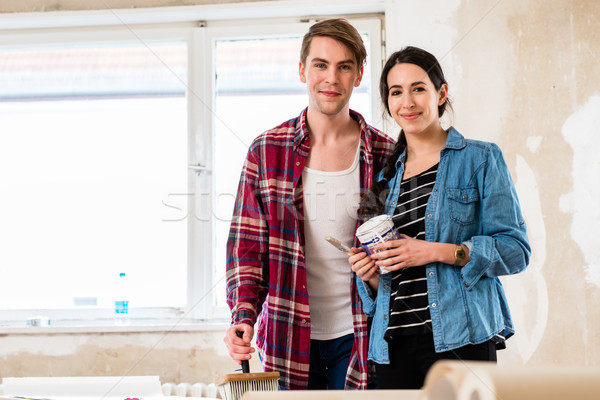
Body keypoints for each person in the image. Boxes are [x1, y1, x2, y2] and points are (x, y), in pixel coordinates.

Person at [224, 18, 395, 390]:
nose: (331, 78)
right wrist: (243, 315)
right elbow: (246, 250)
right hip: (287, 336)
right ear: (302, 70)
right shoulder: (267, 151)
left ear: (359, 74)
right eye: (320, 64)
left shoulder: (386, 154)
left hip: (362, 336)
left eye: (344, 66)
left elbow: (401, 249)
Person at [348, 46, 531, 389]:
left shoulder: (481, 158)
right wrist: (370, 275)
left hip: (462, 339)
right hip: (392, 347)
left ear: (441, 92)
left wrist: (433, 250)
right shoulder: (384, 181)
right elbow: (387, 283)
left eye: (418, 88)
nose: (408, 102)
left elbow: (516, 250)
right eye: (396, 92)